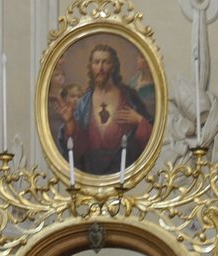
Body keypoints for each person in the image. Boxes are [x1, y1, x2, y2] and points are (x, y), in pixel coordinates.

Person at [55, 42, 154, 175]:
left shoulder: (129, 97)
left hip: (124, 169)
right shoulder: (84, 103)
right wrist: (70, 122)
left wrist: (138, 120)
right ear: (91, 67)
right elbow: (77, 148)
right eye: (96, 62)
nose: (100, 68)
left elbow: (152, 136)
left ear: (113, 66)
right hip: (91, 171)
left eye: (105, 62)